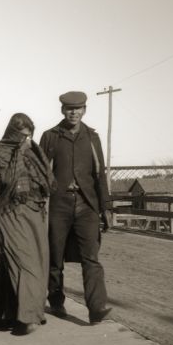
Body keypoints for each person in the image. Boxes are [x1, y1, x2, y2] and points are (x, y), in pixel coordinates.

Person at [39, 91, 112, 325]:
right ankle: (56, 300)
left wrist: (105, 207)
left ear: (84, 111)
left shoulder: (92, 137)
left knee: (91, 258)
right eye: (70, 109)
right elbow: (41, 174)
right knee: (54, 257)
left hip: (86, 205)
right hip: (57, 205)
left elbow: (100, 175)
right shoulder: (50, 137)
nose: (74, 112)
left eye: (78, 108)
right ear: (62, 110)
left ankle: (96, 307)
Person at [0, 113, 56, 335]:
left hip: (35, 211)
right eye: (21, 136)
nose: (25, 140)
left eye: (28, 136)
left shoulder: (35, 151)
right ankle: (29, 317)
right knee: (25, 263)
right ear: (11, 133)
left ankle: (1, 313)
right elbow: (7, 178)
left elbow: (46, 179)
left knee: (35, 260)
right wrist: (22, 152)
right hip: (12, 211)